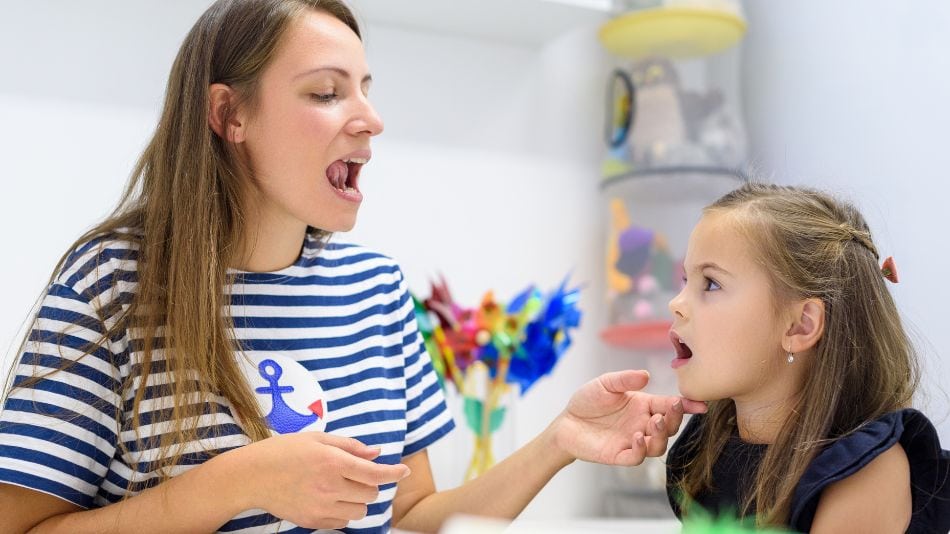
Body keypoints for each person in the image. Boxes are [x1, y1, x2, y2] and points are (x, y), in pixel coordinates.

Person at [0, 1, 707, 533]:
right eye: (326, 91)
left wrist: (561, 442)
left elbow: (418, 516)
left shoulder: (375, 290)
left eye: (366, 87)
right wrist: (232, 484)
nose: (370, 117)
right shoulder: (111, 284)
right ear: (229, 114)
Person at [664, 182, 950, 533]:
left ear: (800, 325)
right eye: (684, 280)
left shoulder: (867, 471)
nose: (675, 304)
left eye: (710, 284)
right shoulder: (710, 445)